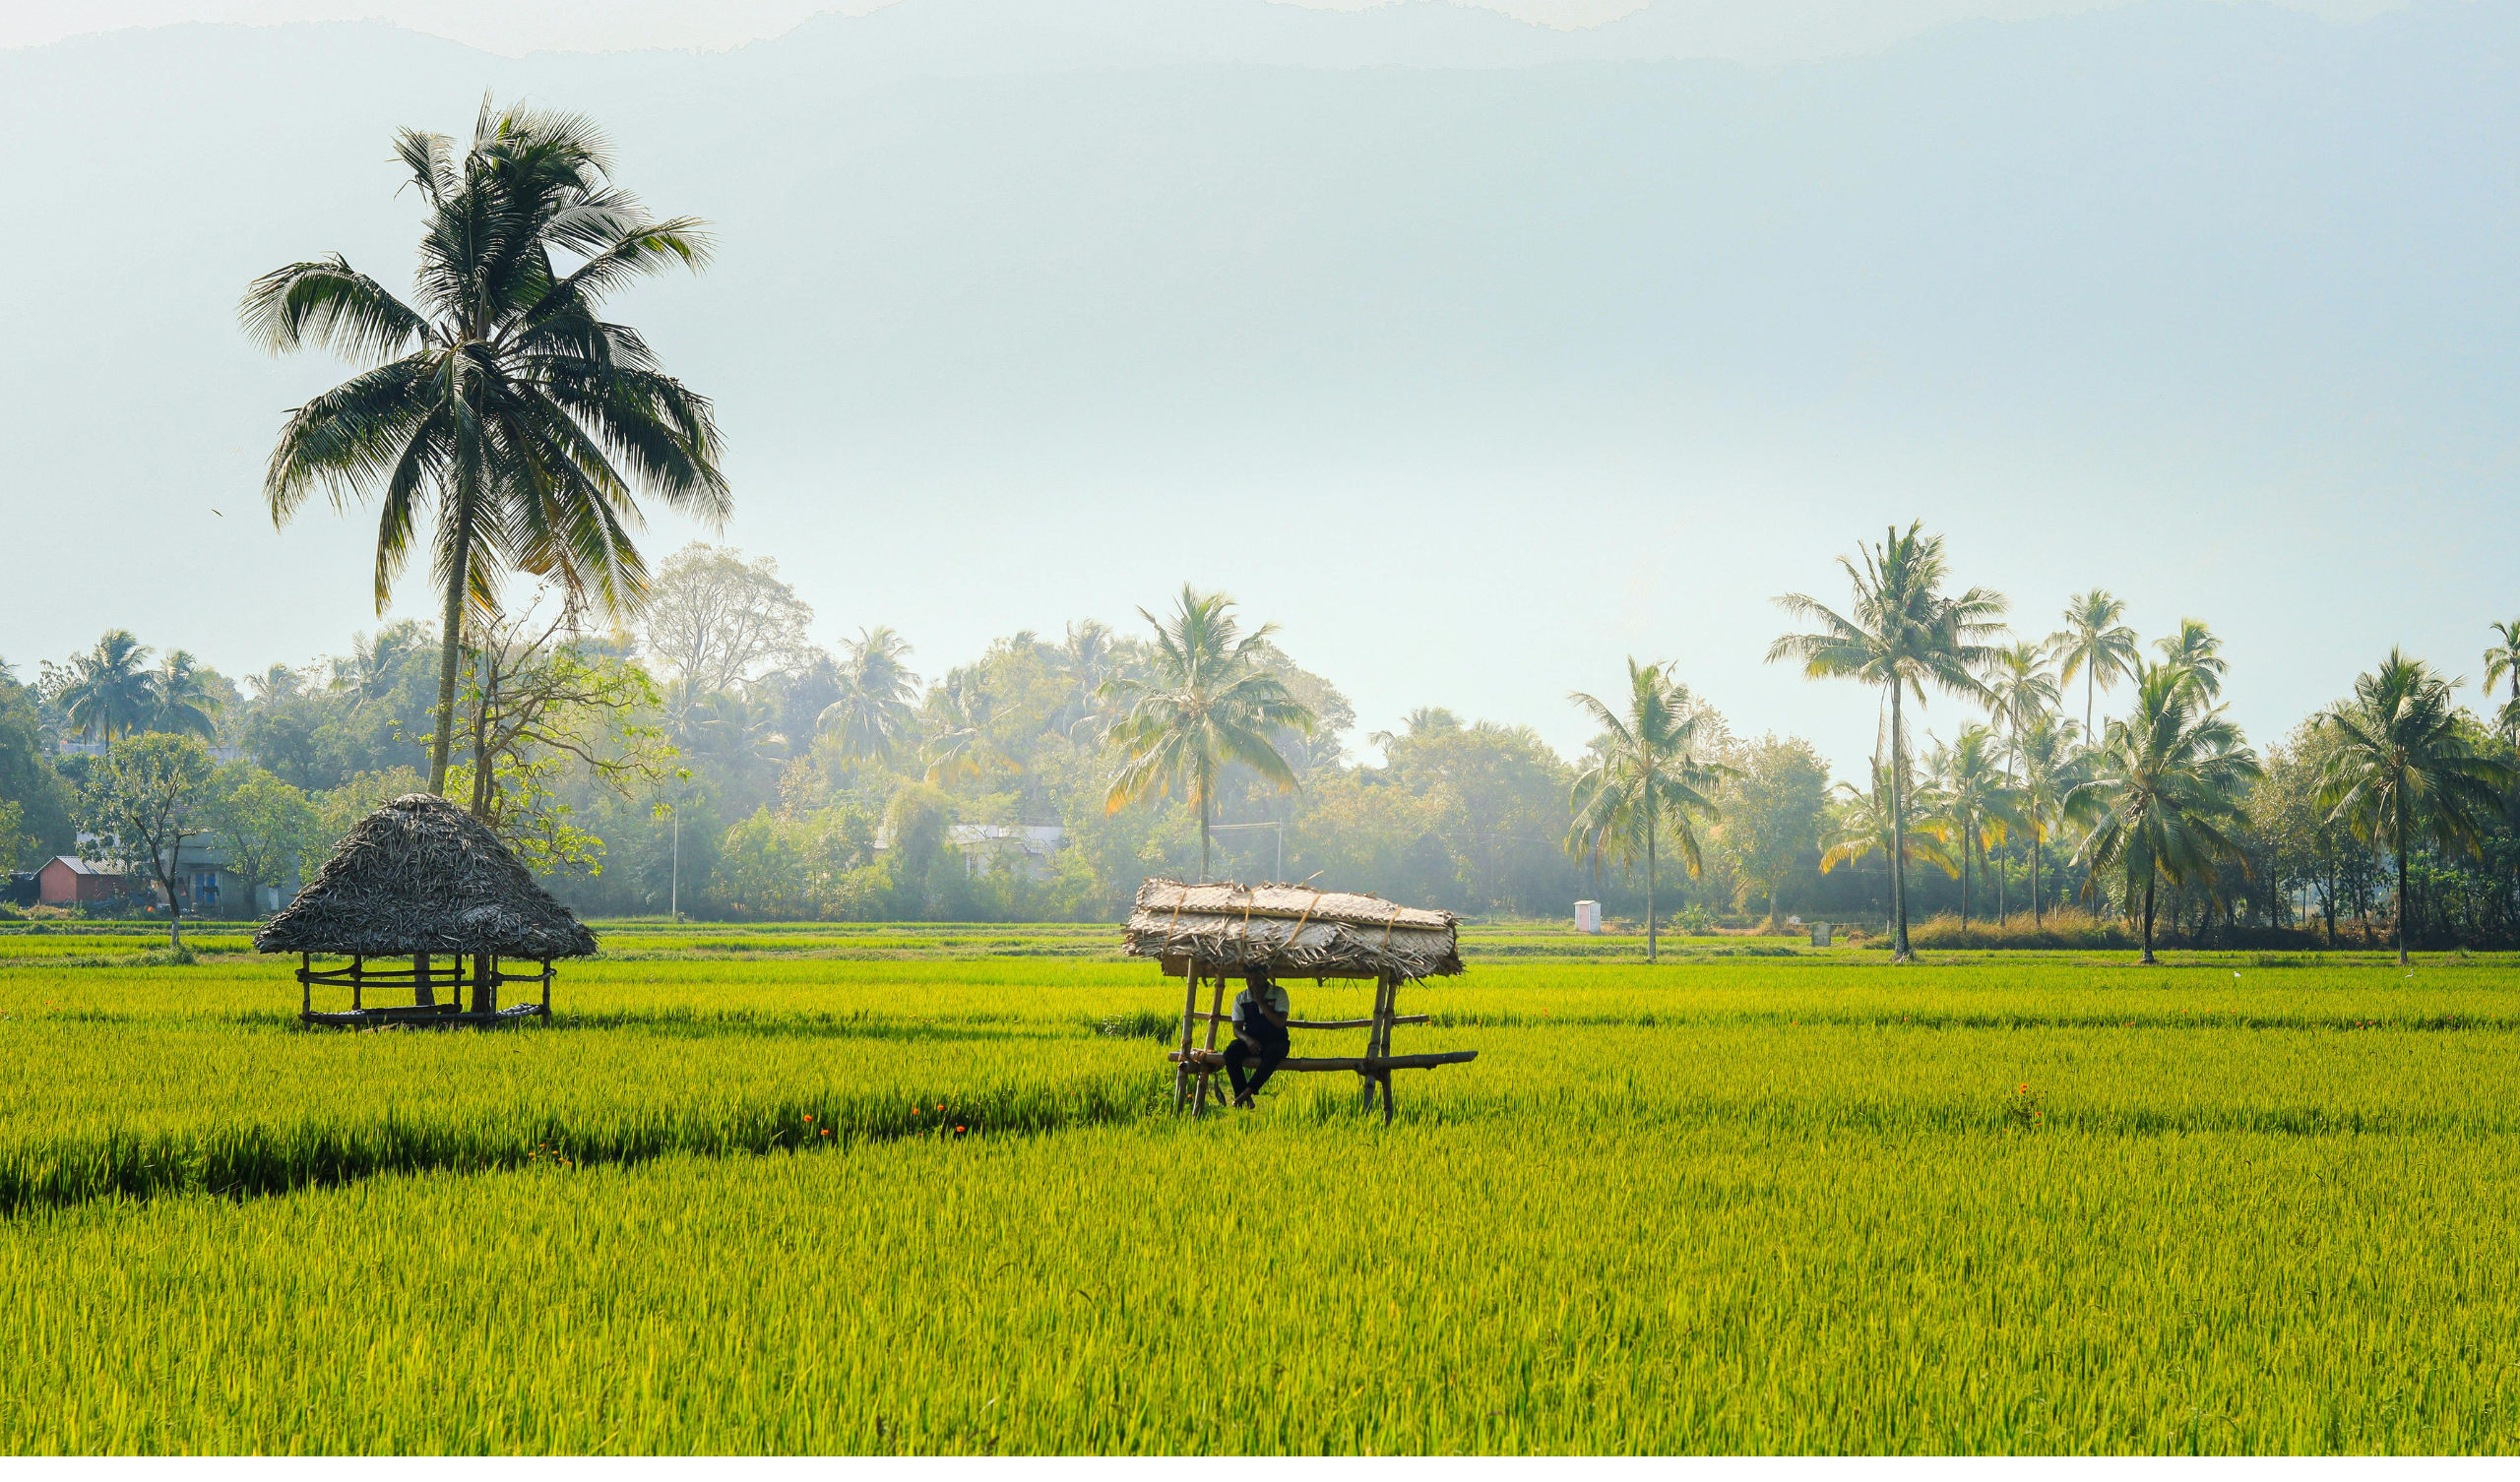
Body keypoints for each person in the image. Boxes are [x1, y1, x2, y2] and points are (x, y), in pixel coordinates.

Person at [1223, 965, 1292, 1108]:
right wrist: (1248, 1040)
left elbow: (1279, 1023)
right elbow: (1237, 1028)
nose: (1253, 984)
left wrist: (1260, 1001)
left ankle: (1246, 1093)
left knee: (1273, 1054)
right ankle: (1244, 1097)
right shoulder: (1241, 998)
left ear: (1265, 976)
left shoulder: (1278, 993)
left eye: (1257, 979)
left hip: (1276, 1040)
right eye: (1249, 980)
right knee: (1231, 1052)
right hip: (1253, 1040)